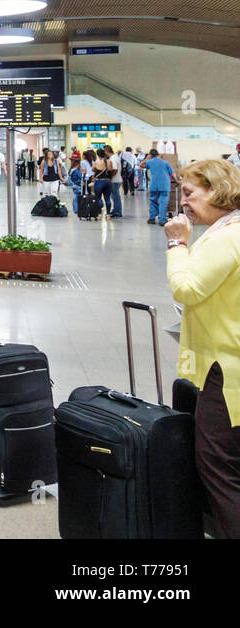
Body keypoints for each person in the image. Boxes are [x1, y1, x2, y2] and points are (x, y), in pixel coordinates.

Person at [163, 159, 240, 537]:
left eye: (190, 193)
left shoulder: (227, 236)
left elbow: (188, 288)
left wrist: (177, 244)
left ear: (216, 189)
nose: (184, 203)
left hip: (226, 372)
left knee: (219, 467)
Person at [144, 148, 177, 226]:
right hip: (164, 185)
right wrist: (176, 181)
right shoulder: (165, 162)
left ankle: (152, 218)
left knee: (153, 201)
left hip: (154, 185)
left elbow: (141, 165)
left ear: (150, 155)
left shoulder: (149, 162)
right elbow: (173, 174)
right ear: (158, 154)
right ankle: (162, 220)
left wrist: (147, 158)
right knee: (163, 202)